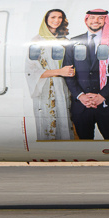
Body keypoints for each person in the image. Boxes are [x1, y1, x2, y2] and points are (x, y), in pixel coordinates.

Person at [63, 8, 109, 141]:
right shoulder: (73, 42)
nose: (96, 21)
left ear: (104, 21)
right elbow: (68, 73)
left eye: (100, 18)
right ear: (86, 20)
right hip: (81, 105)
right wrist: (81, 96)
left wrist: (102, 96)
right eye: (92, 18)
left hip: (106, 104)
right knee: (84, 145)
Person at [28, 8, 74, 141]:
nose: (56, 20)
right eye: (53, 17)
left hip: (65, 87)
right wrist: (59, 72)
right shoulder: (37, 41)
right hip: (47, 88)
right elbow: (32, 71)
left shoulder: (65, 40)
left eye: (60, 17)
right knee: (49, 120)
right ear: (46, 19)